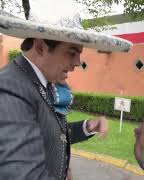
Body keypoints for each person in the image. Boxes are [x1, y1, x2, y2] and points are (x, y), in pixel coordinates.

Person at [0, 7, 132, 180]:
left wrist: (87, 126)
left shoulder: (35, 83)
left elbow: (49, 134)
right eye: (72, 52)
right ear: (41, 47)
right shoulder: (11, 88)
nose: (78, 62)